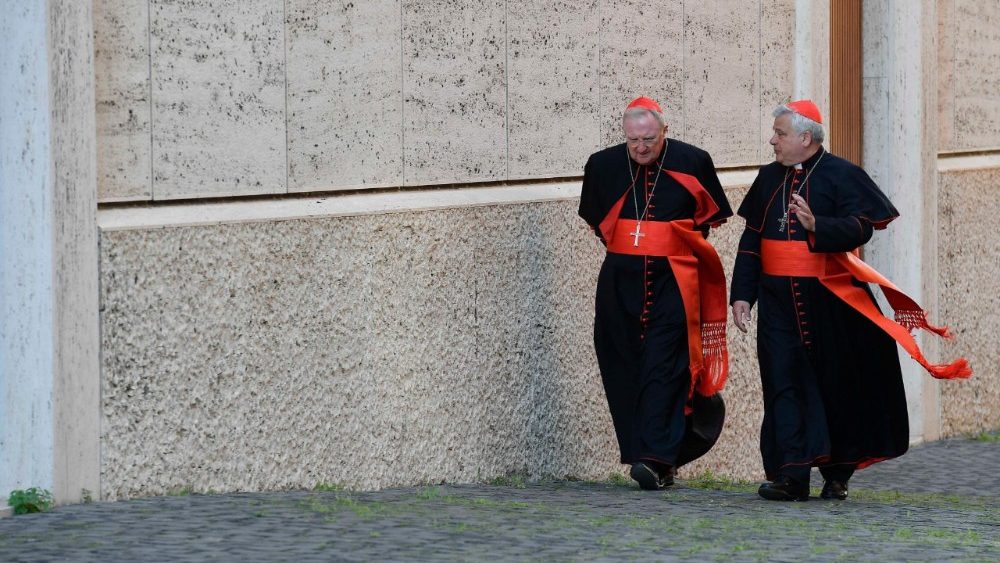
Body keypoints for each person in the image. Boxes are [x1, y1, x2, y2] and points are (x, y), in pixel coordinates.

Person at [730, 99, 972, 501]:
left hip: (831, 302)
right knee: (782, 383)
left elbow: (862, 227)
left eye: (780, 133)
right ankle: (790, 476)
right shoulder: (768, 177)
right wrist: (742, 295)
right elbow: (751, 241)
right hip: (776, 303)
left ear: (805, 138)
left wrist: (816, 225)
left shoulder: (842, 174)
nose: (772, 140)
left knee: (836, 385)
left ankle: (837, 473)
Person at [579, 96, 733, 490]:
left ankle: (655, 459)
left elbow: (707, 222)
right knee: (623, 362)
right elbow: (598, 222)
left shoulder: (693, 161)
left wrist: (667, 243)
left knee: (666, 366)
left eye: (648, 139)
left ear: (665, 131)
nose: (641, 148)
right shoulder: (602, 165)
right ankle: (645, 452)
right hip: (619, 282)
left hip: (674, 283)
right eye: (633, 141)